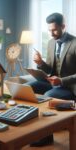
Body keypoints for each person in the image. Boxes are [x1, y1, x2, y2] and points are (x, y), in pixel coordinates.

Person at [28, 12, 76, 147]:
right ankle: (30, 129)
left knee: (48, 96)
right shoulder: (50, 43)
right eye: (49, 30)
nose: (52, 33)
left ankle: (46, 135)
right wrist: (40, 63)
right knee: (28, 88)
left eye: (54, 29)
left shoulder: (75, 43)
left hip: (70, 87)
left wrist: (61, 81)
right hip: (54, 84)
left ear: (63, 26)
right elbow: (49, 70)